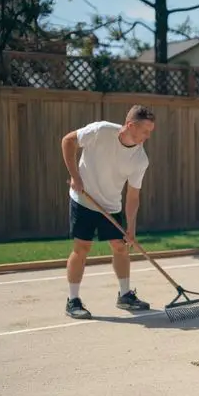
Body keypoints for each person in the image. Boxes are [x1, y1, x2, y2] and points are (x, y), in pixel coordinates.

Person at [60, 105, 156, 319]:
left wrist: (131, 227)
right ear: (131, 125)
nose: (148, 136)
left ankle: (125, 295)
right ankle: (73, 300)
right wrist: (75, 176)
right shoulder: (101, 131)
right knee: (82, 248)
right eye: (145, 131)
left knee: (121, 247)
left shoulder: (140, 159)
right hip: (84, 199)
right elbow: (68, 141)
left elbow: (133, 196)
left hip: (111, 205)